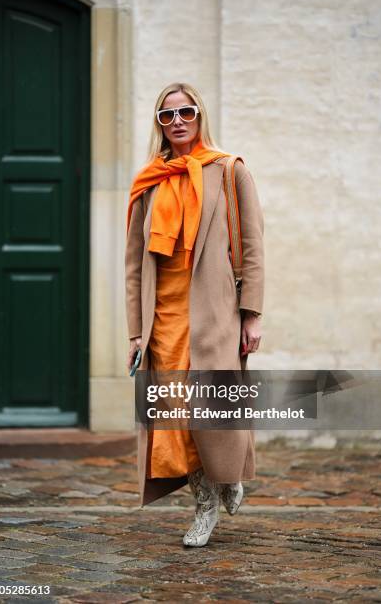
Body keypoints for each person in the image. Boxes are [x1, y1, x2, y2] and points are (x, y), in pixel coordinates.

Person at [125, 82, 264, 547]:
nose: (177, 121)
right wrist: (134, 332)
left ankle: (228, 474)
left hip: (214, 311)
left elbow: (251, 247)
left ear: (200, 115)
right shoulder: (149, 180)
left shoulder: (229, 170)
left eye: (186, 112)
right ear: (159, 124)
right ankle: (205, 505)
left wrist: (252, 313)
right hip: (162, 316)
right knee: (176, 417)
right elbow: (133, 264)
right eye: (167, 116)